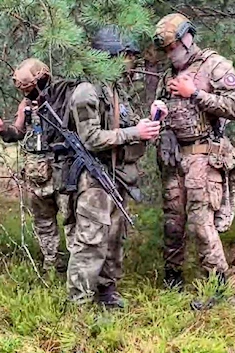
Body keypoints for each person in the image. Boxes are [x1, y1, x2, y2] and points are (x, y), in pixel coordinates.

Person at [66, 25, 160, 308]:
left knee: (115, 239)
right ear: (111, 56)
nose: (132, 64)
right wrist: (135, 134)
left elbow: (125, 128)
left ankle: (107, 292)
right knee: (90, 241)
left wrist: (151, 121)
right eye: (128, 56)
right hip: (94, 178)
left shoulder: (116, 91)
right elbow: (91, 138)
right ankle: (79, 304)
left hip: (117, 176)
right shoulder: (86, 91)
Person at [151, 13, 235, 291]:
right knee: (173, 222)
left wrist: (194, 93)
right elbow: (162, 110)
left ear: (187, 38)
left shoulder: (214, 65)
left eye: (173, 47)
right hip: (175, 158)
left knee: (201, 223)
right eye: (166, 50)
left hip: (204, 156)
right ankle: (173, 279)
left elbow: (234, 107)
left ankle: (216, 284)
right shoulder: (168, 75)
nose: (171, 54)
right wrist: (163, 128)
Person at [0, 58, 75, 272]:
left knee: (72, 218)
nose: (29, 94)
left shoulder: (63, 99)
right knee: (43, 220)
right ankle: (52, 262)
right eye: (25, 90)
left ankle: (78, 265)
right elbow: (17, 132)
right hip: (37, 175)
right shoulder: (26, 105)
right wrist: (2, 129)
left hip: (63, 171)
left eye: (31, 88)